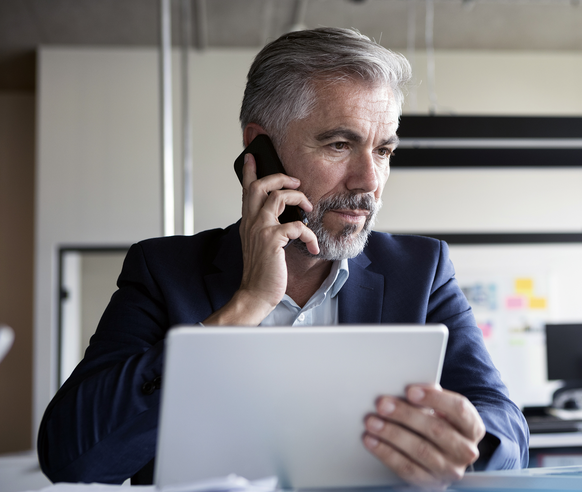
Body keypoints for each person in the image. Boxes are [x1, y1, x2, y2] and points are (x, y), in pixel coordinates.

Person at [37, 27, 528, 489]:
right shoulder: (163, 272)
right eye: (340, 144)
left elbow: (508, 431)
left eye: (382, 151)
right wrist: (245, 306)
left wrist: (470, 442)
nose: (369, 182)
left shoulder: (421, 271)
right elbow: (72, 457)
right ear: (260, 149)